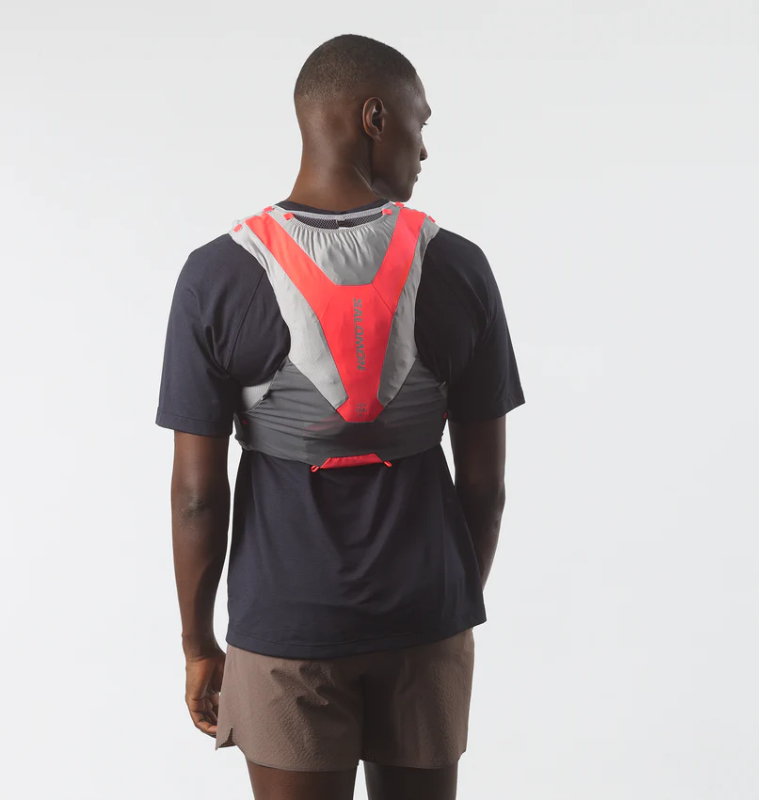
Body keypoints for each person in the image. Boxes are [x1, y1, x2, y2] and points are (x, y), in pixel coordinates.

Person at [155, 33, 525, 800]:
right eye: (421, 123)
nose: (425, 149)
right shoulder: (459, 266)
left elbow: (196, 495)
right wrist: (443, 607)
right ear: (374, 118)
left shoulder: (217, 276)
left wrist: (197, 644)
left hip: (286, 626)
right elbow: (485, 489)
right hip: (426, 615)